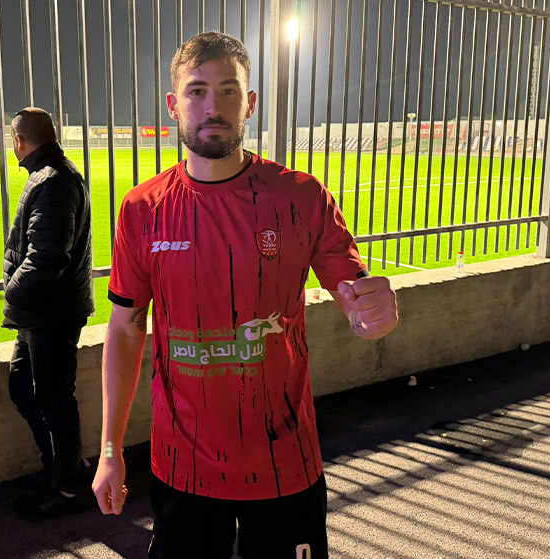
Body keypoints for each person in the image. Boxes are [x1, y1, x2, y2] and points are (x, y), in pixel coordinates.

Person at [92, 32, 398, 559]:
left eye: (229, 90)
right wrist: (109, 449)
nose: (213, 106)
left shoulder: (301, 197)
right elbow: (125, 328)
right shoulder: (142, 209)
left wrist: (375, 314)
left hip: (284, 463)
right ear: (174, 105)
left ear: (250, 102)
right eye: (197, 91)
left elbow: (355, 296)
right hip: (182, 466)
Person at [3, 107, 94, 519]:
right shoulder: (48, 176)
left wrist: (12, 293)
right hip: (42, 313)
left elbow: (46, 258)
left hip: (51, 314)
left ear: (19, 141)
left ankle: (70, 486)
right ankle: (60, 469)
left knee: (54, 400)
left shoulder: (54, 181)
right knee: (24, 389)